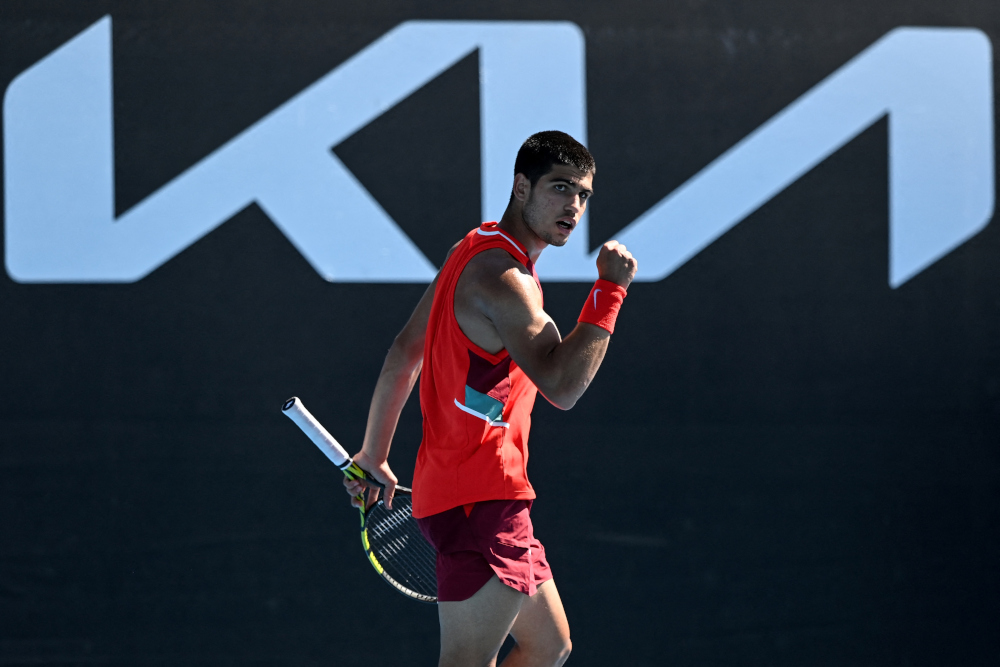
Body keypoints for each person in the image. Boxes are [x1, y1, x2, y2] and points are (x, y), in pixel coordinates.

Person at [344, 131, 637, 667]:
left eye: (583, 194)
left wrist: (373, 455)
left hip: (462, 491)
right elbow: (563, 387)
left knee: (548, 645)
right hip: (483, 498)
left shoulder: (471, 248)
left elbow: (403, 353)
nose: (573, 205)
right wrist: (609, 293)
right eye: (560, 187)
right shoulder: (505, 281)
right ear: (522, 187)